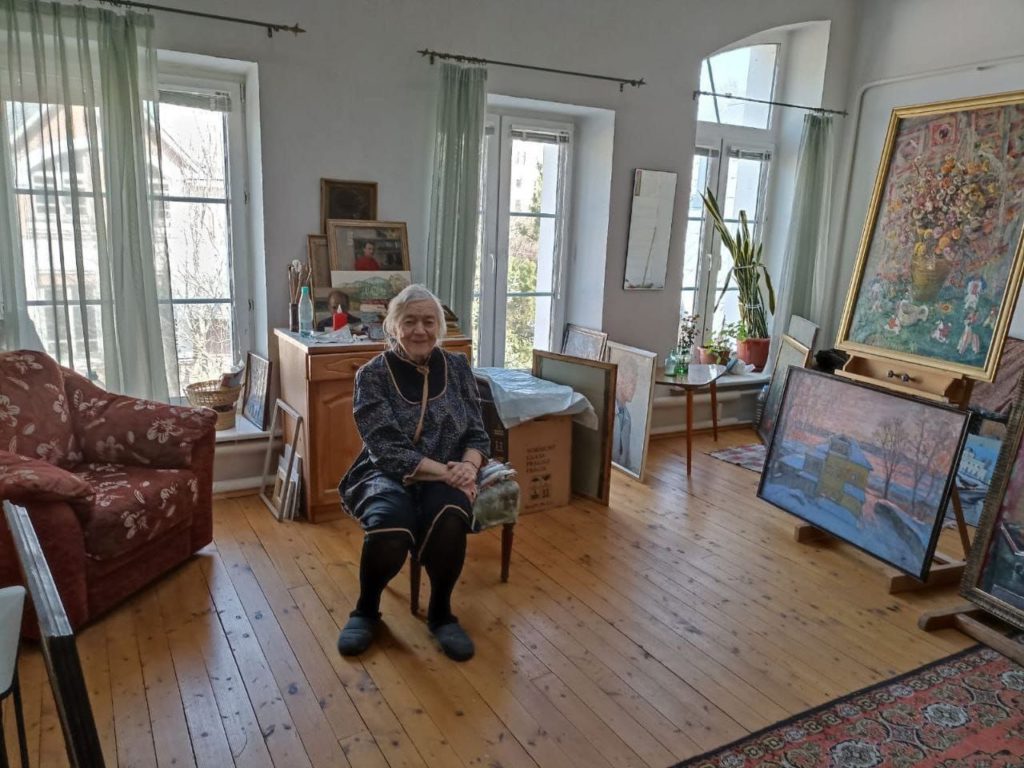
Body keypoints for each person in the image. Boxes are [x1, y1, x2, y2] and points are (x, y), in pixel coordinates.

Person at [336, 284, 490, 661]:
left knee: (450, 516)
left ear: (439, 327)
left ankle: (441, 614)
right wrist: (449, 474)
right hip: (387, 472)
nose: (420, 330)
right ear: (393, 326)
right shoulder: (372, 375)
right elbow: (385, 447)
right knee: (390, 523)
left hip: (450, 468)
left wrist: (468, 466)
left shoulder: (457, 367)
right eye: (409, 322)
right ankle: (366, 610)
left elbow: (477, 432)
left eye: (428, 321)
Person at [612, 356, 638, 469]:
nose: (634, 387)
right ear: (619, 379)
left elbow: (626, 458)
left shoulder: (627, 417)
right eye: (631, 381)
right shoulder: (609, 412)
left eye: (635, 383)